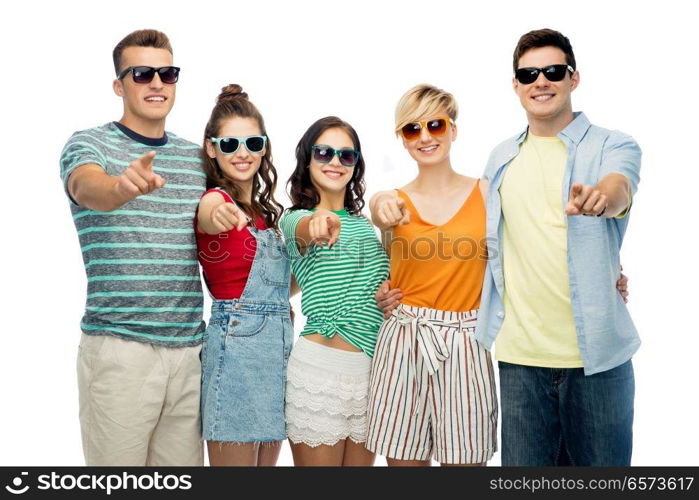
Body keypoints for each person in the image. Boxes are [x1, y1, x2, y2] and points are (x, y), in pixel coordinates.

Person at [476, 28, 641, 466]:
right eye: (528, 74)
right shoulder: (500, 158)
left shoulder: (613, 144)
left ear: (573, 78)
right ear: (515, 85)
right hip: (519, 361)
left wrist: (601, 198)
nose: (540, 82)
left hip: (598, 362)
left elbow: (619, 186)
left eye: (552, 71)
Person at [59, 29, 205, 465]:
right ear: (119, 85)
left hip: (190, 355)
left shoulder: (198, 159)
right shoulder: (89, 144)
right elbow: (89, 187)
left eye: (167, 73)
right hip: (121, 352)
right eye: (142, 74)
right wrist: (120, 187)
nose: (157, 83)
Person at [367, 84, 497, 466]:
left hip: (466, 341)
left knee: (466, 463)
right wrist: (380, 203)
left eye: (435, 125)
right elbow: (378, 211)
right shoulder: (391, 200)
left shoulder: (487, 193)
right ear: (402, 140)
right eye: (412, 129)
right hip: (404, 339)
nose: (425, 137)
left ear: (453, 130)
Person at [280, 117, 390, 466]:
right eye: (324, 152)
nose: (335, 162)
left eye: (346, 155)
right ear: (307, 159)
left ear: (356, 165)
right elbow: (303, 228)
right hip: (319, 374)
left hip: (371, 373)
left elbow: (378, 287)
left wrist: (386, 296)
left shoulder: (367, 225)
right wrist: (317, 225)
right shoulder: (294, 217)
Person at [196, 84, 292, 466]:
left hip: (278, 348)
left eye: (252, 143)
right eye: (230, 144)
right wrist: (215, 212)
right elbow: (208, 212)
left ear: (264, 146)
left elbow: (283, 287)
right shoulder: (215, 199)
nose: (242, 153)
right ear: (211, 148)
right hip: (236, 347)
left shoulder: (269, 215)